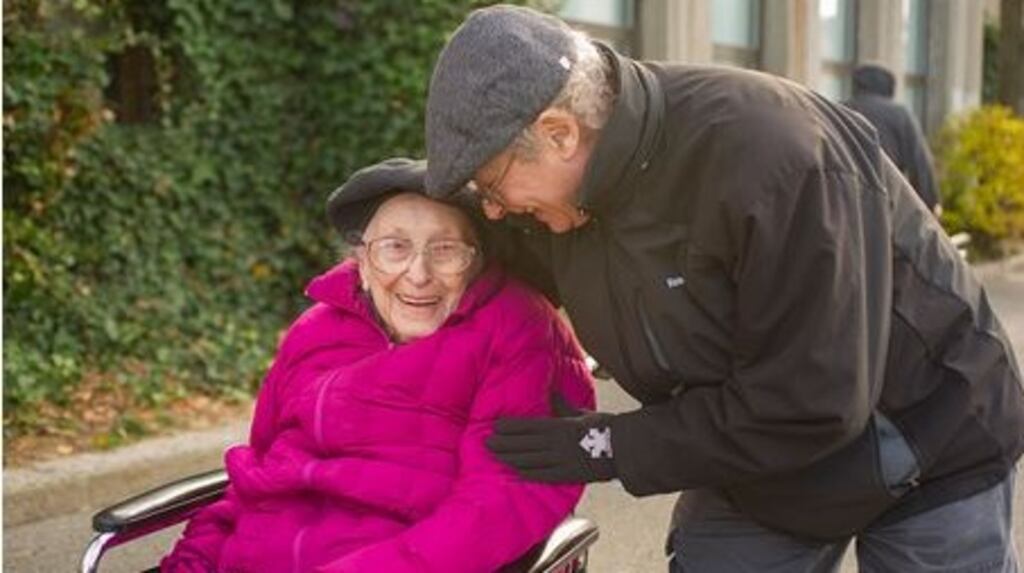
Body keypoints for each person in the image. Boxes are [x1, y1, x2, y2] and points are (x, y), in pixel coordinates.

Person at [414, 5, 1024, 572]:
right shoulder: (567, 195)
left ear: (560, 133)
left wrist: (608, 444)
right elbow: (479, 234)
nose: (493, 211)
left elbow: (806, 403)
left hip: (927, 434)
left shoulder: (773, 161)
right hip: (755, 457)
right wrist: (396, 217)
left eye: (492, 185)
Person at [160, 158, 595, 572]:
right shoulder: (315, 329)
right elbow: (257, 472)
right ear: (363, 262)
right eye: (395, 247)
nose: (418, 273)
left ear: (478, 261)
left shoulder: (515, 327)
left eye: (445, 250)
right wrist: (192, 560)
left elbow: (500, 503)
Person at [843, 63, 941, 214]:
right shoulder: (900, 115)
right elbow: (919, 163)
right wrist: (930, 203)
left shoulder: (841, 111)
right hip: (887, 199)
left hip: (846, 198)